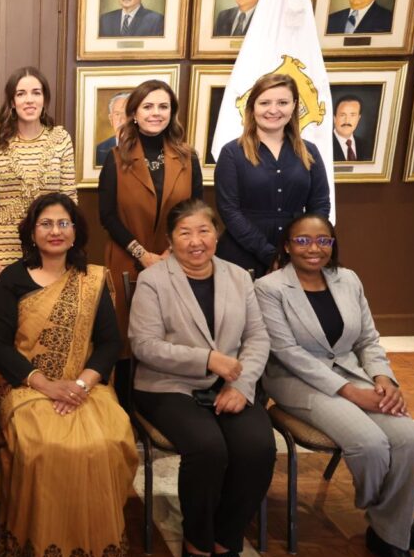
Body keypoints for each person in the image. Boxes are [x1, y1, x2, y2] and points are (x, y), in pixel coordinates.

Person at [255, 214, 414, 557]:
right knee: (370, 444)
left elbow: (368, 339)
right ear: (287, 245)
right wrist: (350, 392)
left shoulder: (348, 279)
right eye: (303, 241)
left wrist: (383, 379)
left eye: (323, 241)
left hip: (355, 374)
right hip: (297, 382)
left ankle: (387, 529)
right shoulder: (268, 288)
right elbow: (286, 353)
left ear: (332, 245)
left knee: (410, 440)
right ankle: (390, 525)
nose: (314, 248)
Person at [0, 193, 137, 557]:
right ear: (32, 232)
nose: (55, 231)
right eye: (46, 223)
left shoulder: (91, 279)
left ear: (75, 231)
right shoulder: (13, 279)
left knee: (108, 440)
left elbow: (109, 341)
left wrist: (83, 383)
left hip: (84, 387)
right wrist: (45, 384)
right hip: (25, 387)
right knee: (46, 446)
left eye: (63, 223)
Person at [128, 198, 274, 557]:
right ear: (170, 239)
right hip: (165, 385)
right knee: (209, 449)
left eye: (204, 230)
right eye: (185, 232)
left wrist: (241, 386)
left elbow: (258, 336)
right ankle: (196, 546)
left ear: (217, 233)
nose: (196, 241)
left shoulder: (239, 277)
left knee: (258, 447)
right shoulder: (154, 280)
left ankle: (225, 543)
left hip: (231, 385)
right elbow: (144, 346)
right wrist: (209, 360)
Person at [98, 79, 202, 398]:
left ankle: (165, 405)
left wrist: (173, 251)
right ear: (133, 114)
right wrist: (142, 254)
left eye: (163, 106)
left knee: (171, 335)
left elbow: (195, 211)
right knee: (128, 340)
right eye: (148, 106)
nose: (156, 113)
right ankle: (128, 413)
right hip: (127, 260)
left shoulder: (187, 158)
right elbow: (108, 217)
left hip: (177, 261)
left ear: (172, 112)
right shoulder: (116, 158)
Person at [215, 73, 331, 277]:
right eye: (265, 102)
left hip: (295, 256)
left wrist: (300, 248)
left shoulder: (310, 151)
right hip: (242, 256)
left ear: (294, 105)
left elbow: (320, 206)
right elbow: (229, 211)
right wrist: (270, 254)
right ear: (252, 106)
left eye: (283, 102)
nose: (273, 110)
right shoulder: (232, 152)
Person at [0, 67, 75, 281]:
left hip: (53, 240)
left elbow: (70, 200)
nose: (29, 100)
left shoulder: (61, 139)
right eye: (21, 94)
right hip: (5, 245)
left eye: (36, 92)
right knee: (10, 311)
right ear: (12, 102)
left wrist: (69, 246)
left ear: (44, 99)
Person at [331, 95, 370, 162]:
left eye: (352, 115)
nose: (347, 121)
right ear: (334, 118)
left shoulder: (367, 147)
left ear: (358, 118)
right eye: (342, 115)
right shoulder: (324, 144)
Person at [95, 91, 129, 166]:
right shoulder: (99, 150)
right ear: (111, 119)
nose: (121, 120)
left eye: (126, 114)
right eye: (117, 114)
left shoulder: (147, 147)